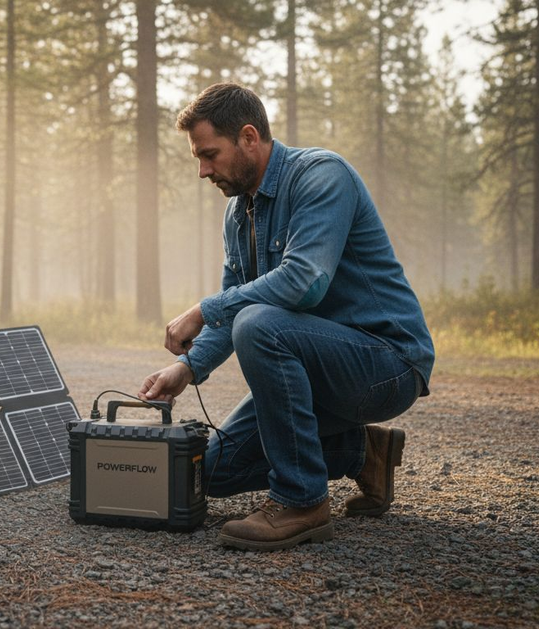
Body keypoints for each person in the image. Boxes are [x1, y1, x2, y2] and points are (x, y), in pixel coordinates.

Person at [138, 82, 434, 551]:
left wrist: (201, 310)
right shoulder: (238, 214)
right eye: (198, 158)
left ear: (249, 137)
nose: (202, 171)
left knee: (259, 324)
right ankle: (363, 453)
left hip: (385, 365)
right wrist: (187, 367)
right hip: (319, 370)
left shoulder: (322, 176)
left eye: (210, 155)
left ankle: (302, 501)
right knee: (213, 470)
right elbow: (235, 302)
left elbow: (304, 282)